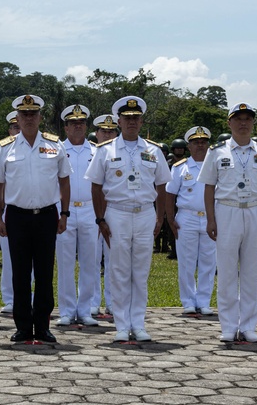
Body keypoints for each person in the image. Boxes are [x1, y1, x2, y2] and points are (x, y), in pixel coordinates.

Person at [85, 96, 170, 342]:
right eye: (127, 118)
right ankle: (122, 325)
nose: (131, 122)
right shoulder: (105, 150)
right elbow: (96, 187)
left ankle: (139, 323)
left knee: (140, 272)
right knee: (119, 270)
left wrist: (160, 217)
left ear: (141, 121)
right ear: (119, 121)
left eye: (136, 118)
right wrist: (100, 219)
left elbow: (162, 185)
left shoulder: (153, 150)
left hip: (144, 212)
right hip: (117, 212)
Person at [0, 94, 71, 343]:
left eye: (33, 114)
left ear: (40, 117)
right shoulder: (5, 147)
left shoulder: (55, 145)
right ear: (17, 117)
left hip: (47, 215)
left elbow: (64, 181)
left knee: (45, 273)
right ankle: (24, 326)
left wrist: (65, 213)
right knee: (20, 274)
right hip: (17, 216)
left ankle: (43, 326)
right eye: (24, 114)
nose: (28, 118)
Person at [199, 104, 257, 342]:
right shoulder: (217, 152)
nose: (243, 123)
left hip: (255, 210)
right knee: (226, 271)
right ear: (229, 123)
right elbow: (209, 187)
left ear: (253, 123)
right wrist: (211, 218)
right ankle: (228, 326)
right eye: (238, 119)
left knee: (251, 271)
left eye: (248, 119)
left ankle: (248, 325)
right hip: (227, 210)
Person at [55, 104, 99, 327]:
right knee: (64, 263)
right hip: (65, 210)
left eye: (81, 122)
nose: (78, 126)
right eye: (73, 123)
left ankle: (85, 310)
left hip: (91, 209)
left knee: (90, 262)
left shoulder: (97, 151)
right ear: (66, 127)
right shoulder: (57, 149)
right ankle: (66, 310)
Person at [166, 126, 216, 316]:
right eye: (196, 142)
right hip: (186, 217)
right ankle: (187, 301)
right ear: (189, 146)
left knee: (208, 262)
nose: (200, 145)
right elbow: (169, 194)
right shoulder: (180, 167)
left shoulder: (215, 166)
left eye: (203, 142)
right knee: (186, 262)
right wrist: (170, 219)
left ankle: (203, 301)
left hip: (210, 218)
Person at [89, 114, 119, 318]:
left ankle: (113, 302)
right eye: (103, 131)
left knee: (113, 260)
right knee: (91, 259)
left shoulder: (121, 152)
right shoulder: (88, 152)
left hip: (115, 212)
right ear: (96, 133)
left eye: (111, 131)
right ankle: (92, 303)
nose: (107, 134)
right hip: (90, 212)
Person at [0, 110, 21, 314]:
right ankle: (9, 297)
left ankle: (26, 296)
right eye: (14, 127)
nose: (17, 130)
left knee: (30, 259)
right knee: (8, 257)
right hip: (8, 210)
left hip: (29, 211)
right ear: (9, 129)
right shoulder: (3, 149)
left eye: (19, 126)